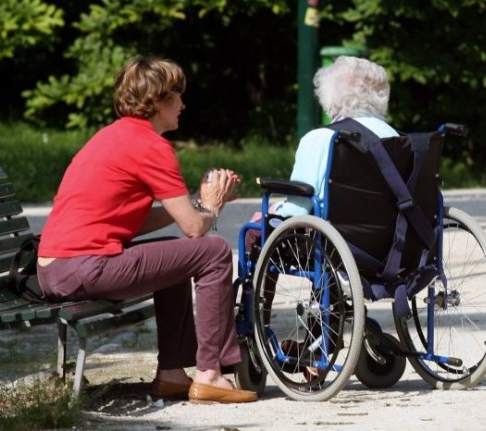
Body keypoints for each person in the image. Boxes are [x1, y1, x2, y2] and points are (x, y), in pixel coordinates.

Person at [36, 55, 257, 404]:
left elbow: (139, 220)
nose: (183, 104)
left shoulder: (113, 136)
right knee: (212, 252)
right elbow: (195, 229)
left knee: (176, 252)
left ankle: (171, 373)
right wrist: (212, 206)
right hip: (81, 267)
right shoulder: (152, 146)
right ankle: (210, 373)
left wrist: (197, 202)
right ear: (156, 102)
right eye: (177, 96)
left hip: (56, 268)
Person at [246, 55, 398, 250]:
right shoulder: (395, 137)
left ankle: (255, 281)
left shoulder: (321, 138)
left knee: (254, 230)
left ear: (329, 95)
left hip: (333, 243)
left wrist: (272, 210)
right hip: (391, 242)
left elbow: (296, 210)